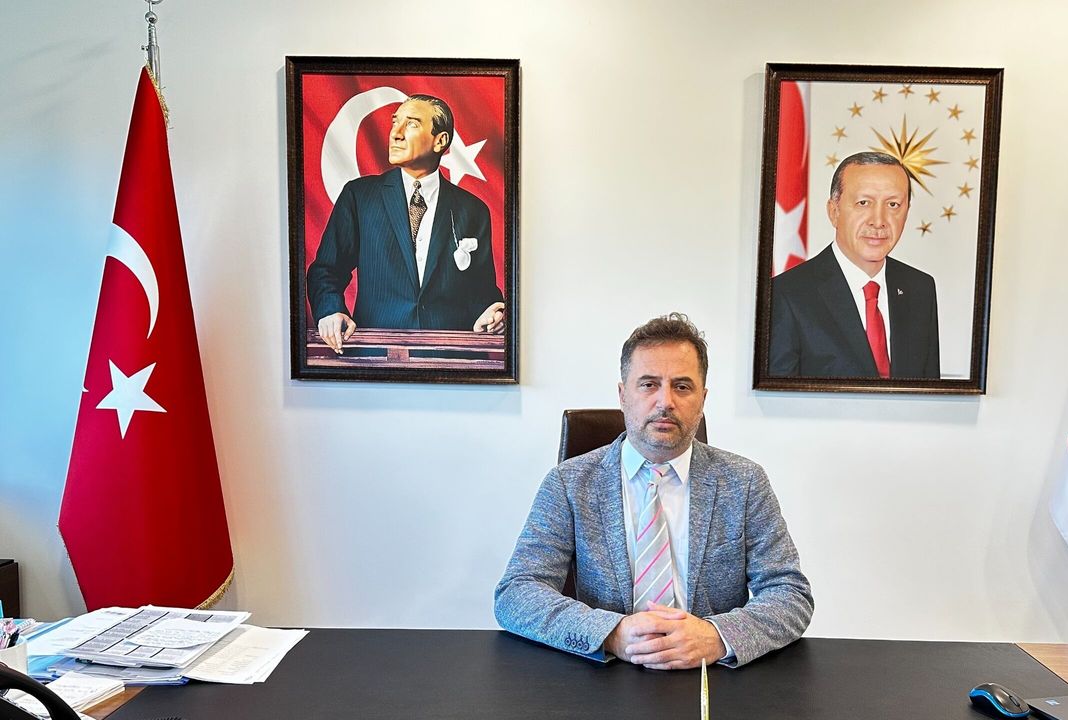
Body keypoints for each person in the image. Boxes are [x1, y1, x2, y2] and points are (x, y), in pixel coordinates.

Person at [494, 313, 813, 669]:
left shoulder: (745, 482)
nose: (665, 402)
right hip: (606, 674)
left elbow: (790, 594)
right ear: (623, 395)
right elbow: (516, 593)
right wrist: (611, 633)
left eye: (682, 386)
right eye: (648, 384)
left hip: (710, 676)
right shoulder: (569, 483)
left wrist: (717, 637)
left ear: (703, 398)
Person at [306, 94, 505, 353]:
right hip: (375, 356)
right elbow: (326, 270)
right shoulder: (359, 196)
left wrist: (492, 312)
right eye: (394, 122)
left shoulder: (473, 209)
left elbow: (481, 290)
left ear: (440, 140)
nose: (395, 133)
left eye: (411, 124)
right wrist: (330, 310)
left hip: (449, 358)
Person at [769, 151, 940, 379]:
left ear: (907, 212)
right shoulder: (786, 294)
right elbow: (778, 397)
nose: (878, 221)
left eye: (893, 204)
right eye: (863, 203)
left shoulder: (920, 288)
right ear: (834, 212)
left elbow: (929, 394)